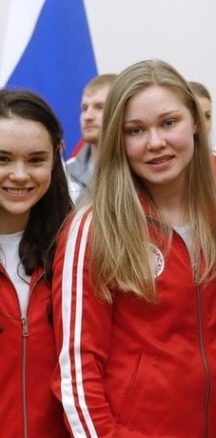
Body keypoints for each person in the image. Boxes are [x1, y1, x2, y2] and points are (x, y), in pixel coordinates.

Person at [51, 60, 216, 437]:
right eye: (135, 130)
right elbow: (77, 375)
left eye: (169, 123)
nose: (155, 143)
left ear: (196, 123)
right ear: (117, 140)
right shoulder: (94, 226)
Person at [0, 89, 72, 436]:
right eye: (3, 159)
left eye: (35, 160)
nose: (19, 175)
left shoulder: (77, 249)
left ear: (56, 157)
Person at [66, 73, 117, 204]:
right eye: (84, 108)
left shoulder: (141, 169)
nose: (87, 116)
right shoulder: (64, 173)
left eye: (99, 107)